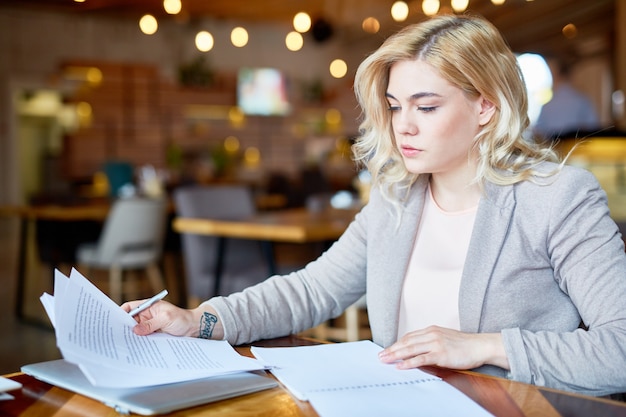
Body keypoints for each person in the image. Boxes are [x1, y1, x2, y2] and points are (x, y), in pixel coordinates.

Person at [123, 14, 626, 397]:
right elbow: (309, 291)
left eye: (426, 107)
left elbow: (619, 349)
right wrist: (200, 321)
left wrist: (483, 345)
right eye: (394, 106)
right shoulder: (396, 199)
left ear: (486, 107)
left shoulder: (558, 199)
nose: (403, 125)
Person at [534, 55, 600, 140]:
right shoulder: (583, 100)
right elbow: (593, 129)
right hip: (578, 149)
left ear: (556, 75)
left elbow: (538, 133)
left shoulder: (547, 106)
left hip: (554, 150)